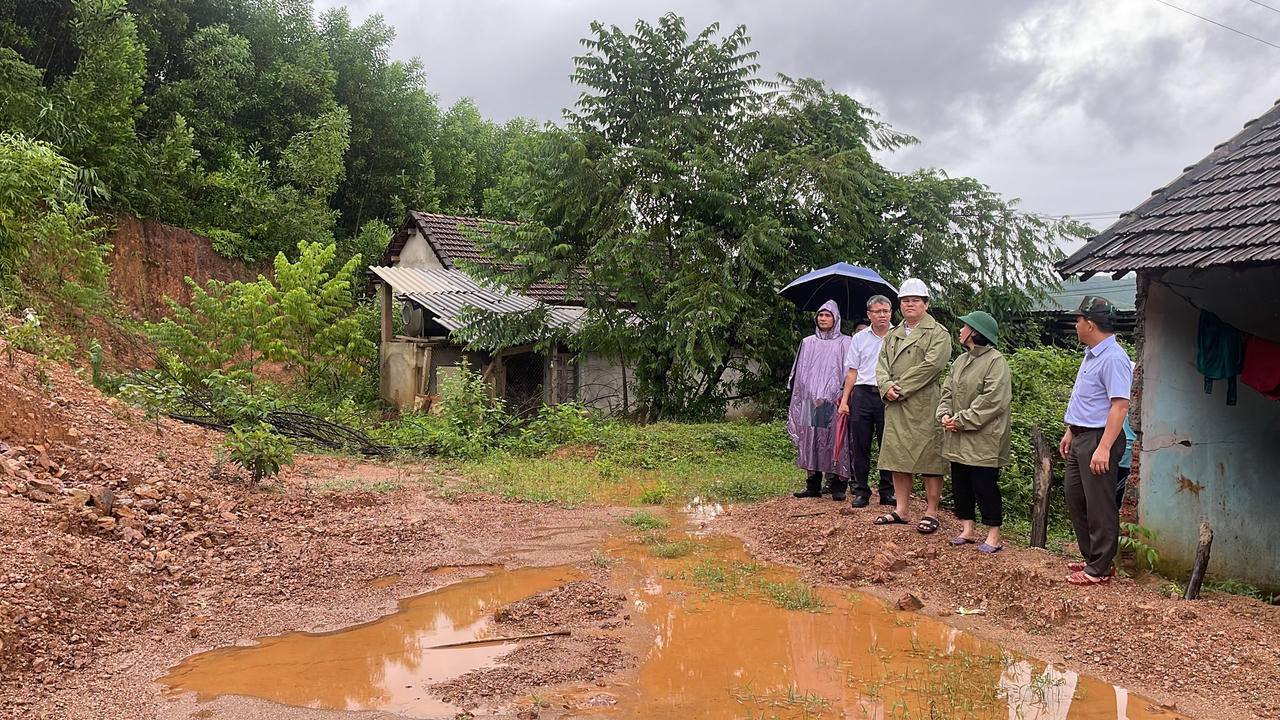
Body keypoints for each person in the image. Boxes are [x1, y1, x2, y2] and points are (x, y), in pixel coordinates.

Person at [1059, 296, 1133, 585]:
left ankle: (1100, 568)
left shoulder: (1114, 358)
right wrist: (1070, 430)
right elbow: (1087, 400)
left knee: (1100, 502)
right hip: (1081, 436)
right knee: (1076, 496)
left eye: (1078, 320)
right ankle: (1092, 557)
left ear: (1090, 324)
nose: (1075, 324)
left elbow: (1119, 406)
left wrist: (1103, 447)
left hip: (1100, 439)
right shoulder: (1092, 354)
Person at [872, 278, 950, 533]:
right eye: (905, 300)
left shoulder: (938, 333)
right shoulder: (893, 335)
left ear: (926, 304)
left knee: (929, 459)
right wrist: (886, 387)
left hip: (924, 405)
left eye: (915, 300)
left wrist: (899, 389)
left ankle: (931, 511)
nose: (910, 304)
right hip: (895, 405)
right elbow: (881, 365)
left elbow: (932, 367)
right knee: (897, 457)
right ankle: (902, 509)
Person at [937, 311, 1011, 553]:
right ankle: (967, 529)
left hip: (983, 438)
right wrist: (945, 415)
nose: (960, 330)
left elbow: (992, 401)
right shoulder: (961, 360)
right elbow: (946, 391)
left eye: (965, 326)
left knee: (984, 485)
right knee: (961, 483)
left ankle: (993, 536)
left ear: (975, 332)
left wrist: (961, 420)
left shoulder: (995, 361)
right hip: (957, 435)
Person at [787, 300, 853, 498]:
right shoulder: (808, 342)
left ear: (836, 319)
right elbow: (799, 373)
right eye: (820, 315)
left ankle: (837, 486)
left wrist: (841, 396)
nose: (823, 319)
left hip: (834, 401)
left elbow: (848, 371)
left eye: (828, 315)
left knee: (836, 440)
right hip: (811, 400)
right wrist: (806, 394)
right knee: (812, 441)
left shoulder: (845, 342)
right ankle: (812, 486)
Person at [837, 295, 897, 508]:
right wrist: (845, 401)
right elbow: (852, 372)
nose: (882, 315)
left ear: (891, 313)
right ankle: (861, 491)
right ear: (869, 314)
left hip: (888, 395)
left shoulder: (899, 336)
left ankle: (887, 491)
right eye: (878, 311)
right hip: (862, 394)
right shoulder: (859, 338)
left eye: (886, 311)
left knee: (888, 445)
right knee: (860, 445)